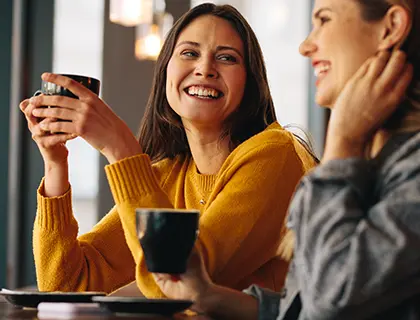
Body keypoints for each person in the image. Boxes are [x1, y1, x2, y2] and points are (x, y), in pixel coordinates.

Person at [20, 4, 317, 297]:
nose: (204, 69)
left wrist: (119, 147)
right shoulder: (167, 176)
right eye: (189, 53)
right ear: (165, 73)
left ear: (249, 82)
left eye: (227, 58)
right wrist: (55, 163)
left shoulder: (274, 155)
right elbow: (65, 286)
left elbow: (180, 282)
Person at [151, 0, 420, 319]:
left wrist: (342, 141)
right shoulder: (374, 159)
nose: (306, 46)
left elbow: (332, 300)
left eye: (324, 19)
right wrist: (208, 297)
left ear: (390, 27)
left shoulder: (406, 164)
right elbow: (308, 304)